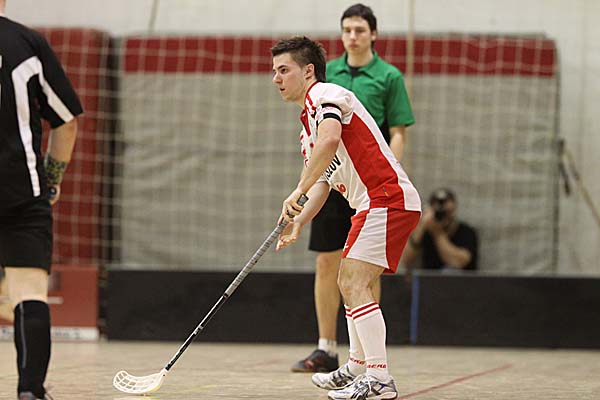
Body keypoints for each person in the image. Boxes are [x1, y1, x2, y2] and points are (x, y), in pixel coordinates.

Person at [272, 36, 421, 400]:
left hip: (387, 198)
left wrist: (297, 189)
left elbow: (329, 142)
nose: (276, 78)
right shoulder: (307, 125)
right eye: (274, 71)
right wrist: (300, 220)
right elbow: (323, 183)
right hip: (369, 204)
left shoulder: (327, 95)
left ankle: (379, 377)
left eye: (284, 70)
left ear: (309, 71)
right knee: (349, 281)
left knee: (354, 281)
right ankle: (356, 367)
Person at [1, 1, 82, 398]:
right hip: (21, 189)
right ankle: (30, 390)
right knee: (29, 292)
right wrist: (51, 181)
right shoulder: (25, 43)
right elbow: (65, 123)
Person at [401, 188, 478, 271]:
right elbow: (405, 260)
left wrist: (437, 233)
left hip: (460, 278)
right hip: (430, 277)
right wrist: (421, 225)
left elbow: (458, 262)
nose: (443, 216)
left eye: (447, 212)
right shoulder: (427, 231)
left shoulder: (466, 232)